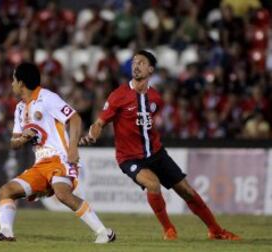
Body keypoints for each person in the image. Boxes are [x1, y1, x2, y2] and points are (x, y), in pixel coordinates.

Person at [80, 50, 240, 241]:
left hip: (156, 153)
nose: (136, 66)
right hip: (129, 157)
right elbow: (99, 123)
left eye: (141, 62)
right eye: (134, 62)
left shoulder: (156, 98)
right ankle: (169, 230)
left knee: (187, 191)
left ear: (150, 69)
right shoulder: (118, 95)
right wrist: (92, 135)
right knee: (153, 184)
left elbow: (149, 123)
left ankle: (216, 230)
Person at [0, 62, 116, 243]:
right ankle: (6, 232)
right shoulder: (20, 108)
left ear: (21, 83)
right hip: (40, 164)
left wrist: (73, 148)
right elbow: (14, 143)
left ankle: (104, 232)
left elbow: (75, 118)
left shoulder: (47, 98)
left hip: (60, 159)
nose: (12, 84)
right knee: (6, 191)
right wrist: (22, 139)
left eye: (13, 80)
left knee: (62, 194)